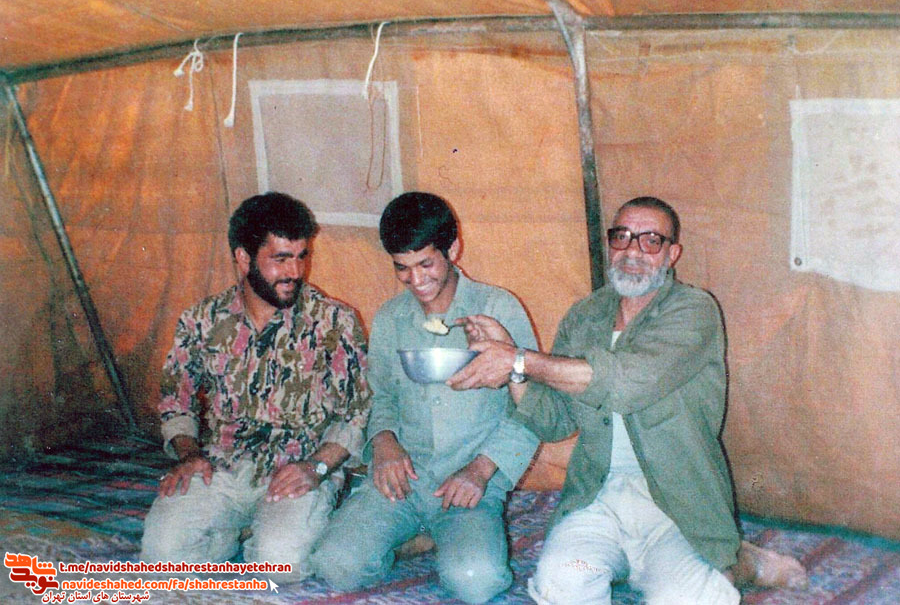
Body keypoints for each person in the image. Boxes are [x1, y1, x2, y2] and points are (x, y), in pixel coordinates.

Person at [448, 196, 807, 604]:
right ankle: (630, 566)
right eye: (622, 237)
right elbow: (553, 421)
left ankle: (743, 565)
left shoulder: (694, 310)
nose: (633, 251)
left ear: (672, 254)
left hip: (675, 505)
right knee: (563, 584)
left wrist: (520, 359)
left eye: (651, 241)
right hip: (598, 499)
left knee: (683, 599)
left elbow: (627, 382)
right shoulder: (584, 316)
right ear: (610, 245)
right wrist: (513, 368)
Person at [311, 192, 539, 604]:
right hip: (405, 478)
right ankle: (420, 537)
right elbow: (381, 395)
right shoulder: (391, 318)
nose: (416, 281)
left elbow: (533, 409)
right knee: (335, 565)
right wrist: (384, 442)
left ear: (453, 249)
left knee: (477, 581)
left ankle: (442, 536)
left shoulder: (497, 309)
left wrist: (481, 470)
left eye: (426, 264)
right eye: (402, 268)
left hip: (469, 482)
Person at [140, 192, 371, 583]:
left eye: (302, 256)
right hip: (223, 466)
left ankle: (292, 524)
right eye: (281, 258)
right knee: (161, 559)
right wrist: (189, 455)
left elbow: (356, 412)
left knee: (279, 567)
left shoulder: (333, 322)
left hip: (299, 466)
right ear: (244, 258)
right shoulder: (202, 320)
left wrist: (316, 468)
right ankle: (237, 532)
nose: (295, 271)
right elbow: (176, 401)